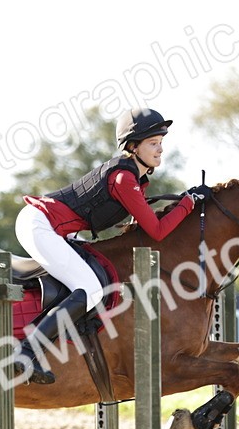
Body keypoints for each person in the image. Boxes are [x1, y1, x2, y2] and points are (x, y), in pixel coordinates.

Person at [13, 107, 211, 384]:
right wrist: (188, 202)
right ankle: (26, 353)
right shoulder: (123, 179)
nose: (160, 150)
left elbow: (140, 226)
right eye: (153, 143)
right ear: (133, 146)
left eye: (161, 143)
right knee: (90, 290)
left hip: (56, 229)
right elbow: (156, 231)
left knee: (93, 280)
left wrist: (184, 203)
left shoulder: (135, 179)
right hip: (41, 226)